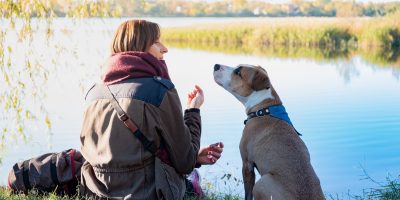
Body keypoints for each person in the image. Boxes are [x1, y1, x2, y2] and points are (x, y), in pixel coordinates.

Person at [79, 19, 224, 199]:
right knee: (190, 175)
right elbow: (185, 162)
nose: (165, 48)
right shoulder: (159, 90)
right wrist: (193, 111)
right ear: (139, 46)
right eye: (156, 42)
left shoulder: (94, 91)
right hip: (147, 193)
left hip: (96, 193)